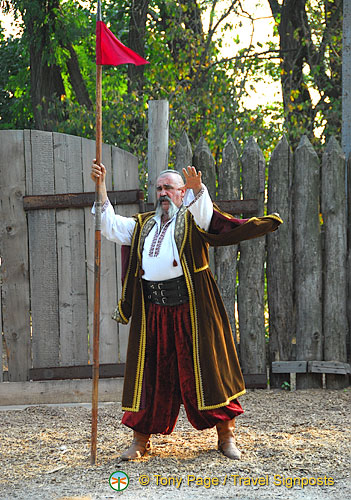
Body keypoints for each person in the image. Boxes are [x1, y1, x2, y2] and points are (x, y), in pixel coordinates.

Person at [91, 161, 282, 461]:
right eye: (159, 188)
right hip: (154, 312)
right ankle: (140, 441)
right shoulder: (143, 225)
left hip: (192, 310)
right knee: (149, 376)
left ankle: (226, 436)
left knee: (208, 371)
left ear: (181, 193)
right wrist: (100, 185)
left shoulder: (192, 219)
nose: (163, 193)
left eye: (169, 188)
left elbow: (207, 218)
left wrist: (199, 190)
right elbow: (110, 226)